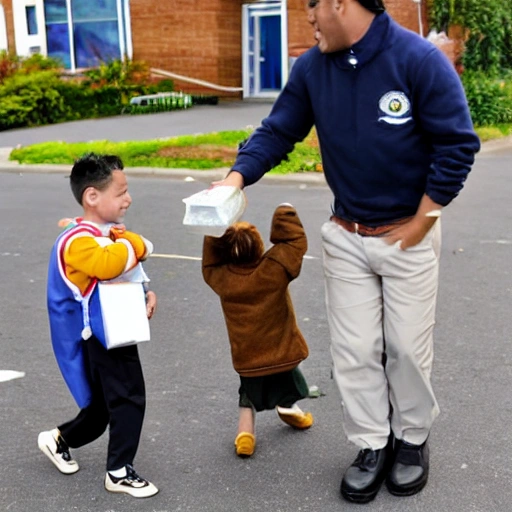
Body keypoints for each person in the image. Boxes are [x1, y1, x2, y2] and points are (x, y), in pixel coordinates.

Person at [212, 0, 480, 503]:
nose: (307, 17)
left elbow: (457, 145)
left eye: (312, 7)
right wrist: (234, 178)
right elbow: (279, 129)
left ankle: (412, 440)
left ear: (339, 3)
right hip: (347, 233)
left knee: (405, 350)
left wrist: (425, 218)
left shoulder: (417, 60)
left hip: (409, 232)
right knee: (355, 352)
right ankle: (372, 444)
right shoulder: (312, 67)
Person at [38, 153, 159, 498]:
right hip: (102, 335)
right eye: (121, 192)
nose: (128, 198)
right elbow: (109, 265)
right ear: (92, 196)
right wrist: (139, 243)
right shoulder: (79, 240)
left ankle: (59, 439)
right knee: (128, 397)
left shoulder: (103, 233)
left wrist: (145, 294)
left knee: (104, 407)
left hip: (112, 327)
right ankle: (119, 472)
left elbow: (124, 271)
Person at [202, 204, 314, 457]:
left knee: (248, 394)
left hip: (248, 356)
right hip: (282, 351)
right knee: (288, 381)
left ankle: (245, 435)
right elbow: (293, 244)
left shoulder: (223, 278)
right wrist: (285, 213)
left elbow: (210, 263)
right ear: (259, 246)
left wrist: (214, 226)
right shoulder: (272, 270)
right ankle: (288, 407)